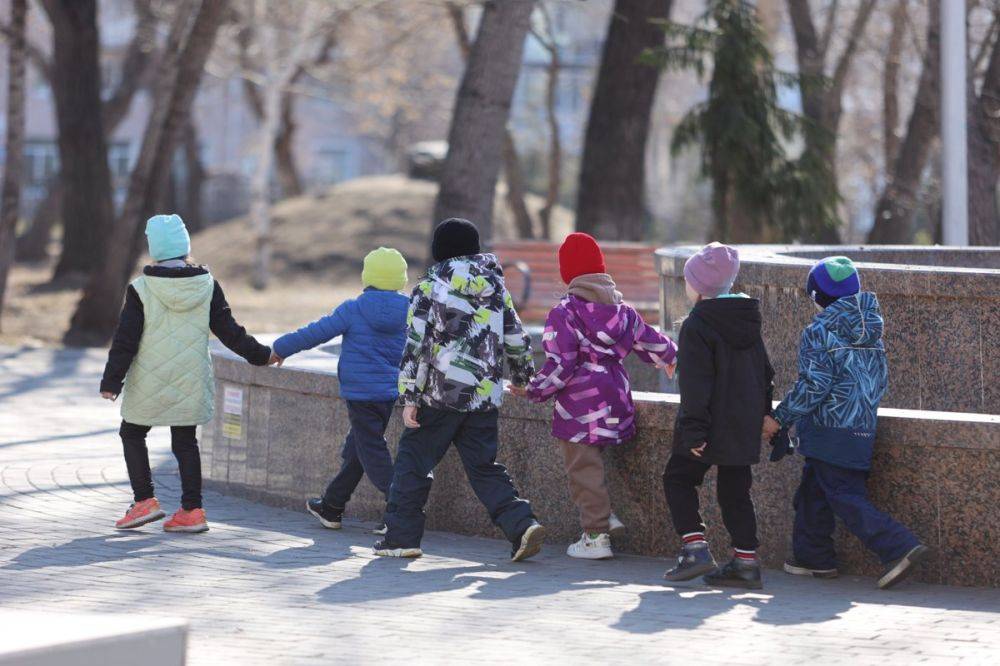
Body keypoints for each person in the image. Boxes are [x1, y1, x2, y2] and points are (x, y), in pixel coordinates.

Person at [375, 218, 544, 561]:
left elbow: (416, 346)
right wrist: (524, 378)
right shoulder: (496, 286)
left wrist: (409, 396)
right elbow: (516, 336)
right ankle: (520, 522)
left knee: (412, 462)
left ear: (440, 252)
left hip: (439, 395)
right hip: (483, 397)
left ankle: (400, 538)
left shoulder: (430, 287)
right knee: (484, 466)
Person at [763, 256, 928, 590]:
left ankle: (898, 546)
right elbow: (879, 380)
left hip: (830, 426)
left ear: (817, 296)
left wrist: (780, 417)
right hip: (861, 426)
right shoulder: (872, 328)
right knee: (814, 489)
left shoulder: (820, 331)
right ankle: (814, 557)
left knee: (844, 495)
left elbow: (814, 385)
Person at [100, 214, 271, 533]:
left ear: (155, 248)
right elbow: (229, 332)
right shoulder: (206, 285)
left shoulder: (141, 289)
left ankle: (144, 501)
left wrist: (112, 382)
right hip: (190, 378)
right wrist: (261, 355)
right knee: (185, 441)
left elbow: (126, 340)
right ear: (184, 247)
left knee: (132, 433)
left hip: (149, 379)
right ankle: (192, 511)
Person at [521, 233, 677, 560]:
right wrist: (671, 357)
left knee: (583, 468)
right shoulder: (622, 311)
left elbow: (561, 364)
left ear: (568, 273)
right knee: (597, 460)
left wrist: (532, 389)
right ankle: (605, 517)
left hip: (580, 404)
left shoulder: (564, 312)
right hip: (616, 395)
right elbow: (653, 341)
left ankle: (595, 536)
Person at [270, 248, 409, 536]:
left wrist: (280, 348)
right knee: (358, 448)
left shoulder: (354, 308)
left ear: (366, 277)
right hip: (388, 391)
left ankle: (401, 508)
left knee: (371, 449)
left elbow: (316, 332)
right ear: (401, 279)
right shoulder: (410, 310)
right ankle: (332, 506)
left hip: (359, 392)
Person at [662, 242, 774, 589]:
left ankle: (694, 547)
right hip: (741, 424)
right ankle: (746, 562)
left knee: (678, 478)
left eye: (688, 279)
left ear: (699, 286)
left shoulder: (697, 325)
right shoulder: (747, 319)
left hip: (707, 424)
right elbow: (764, 372)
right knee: (735, 491)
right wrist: (765, 414)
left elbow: (697, 384)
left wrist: (694, 430)